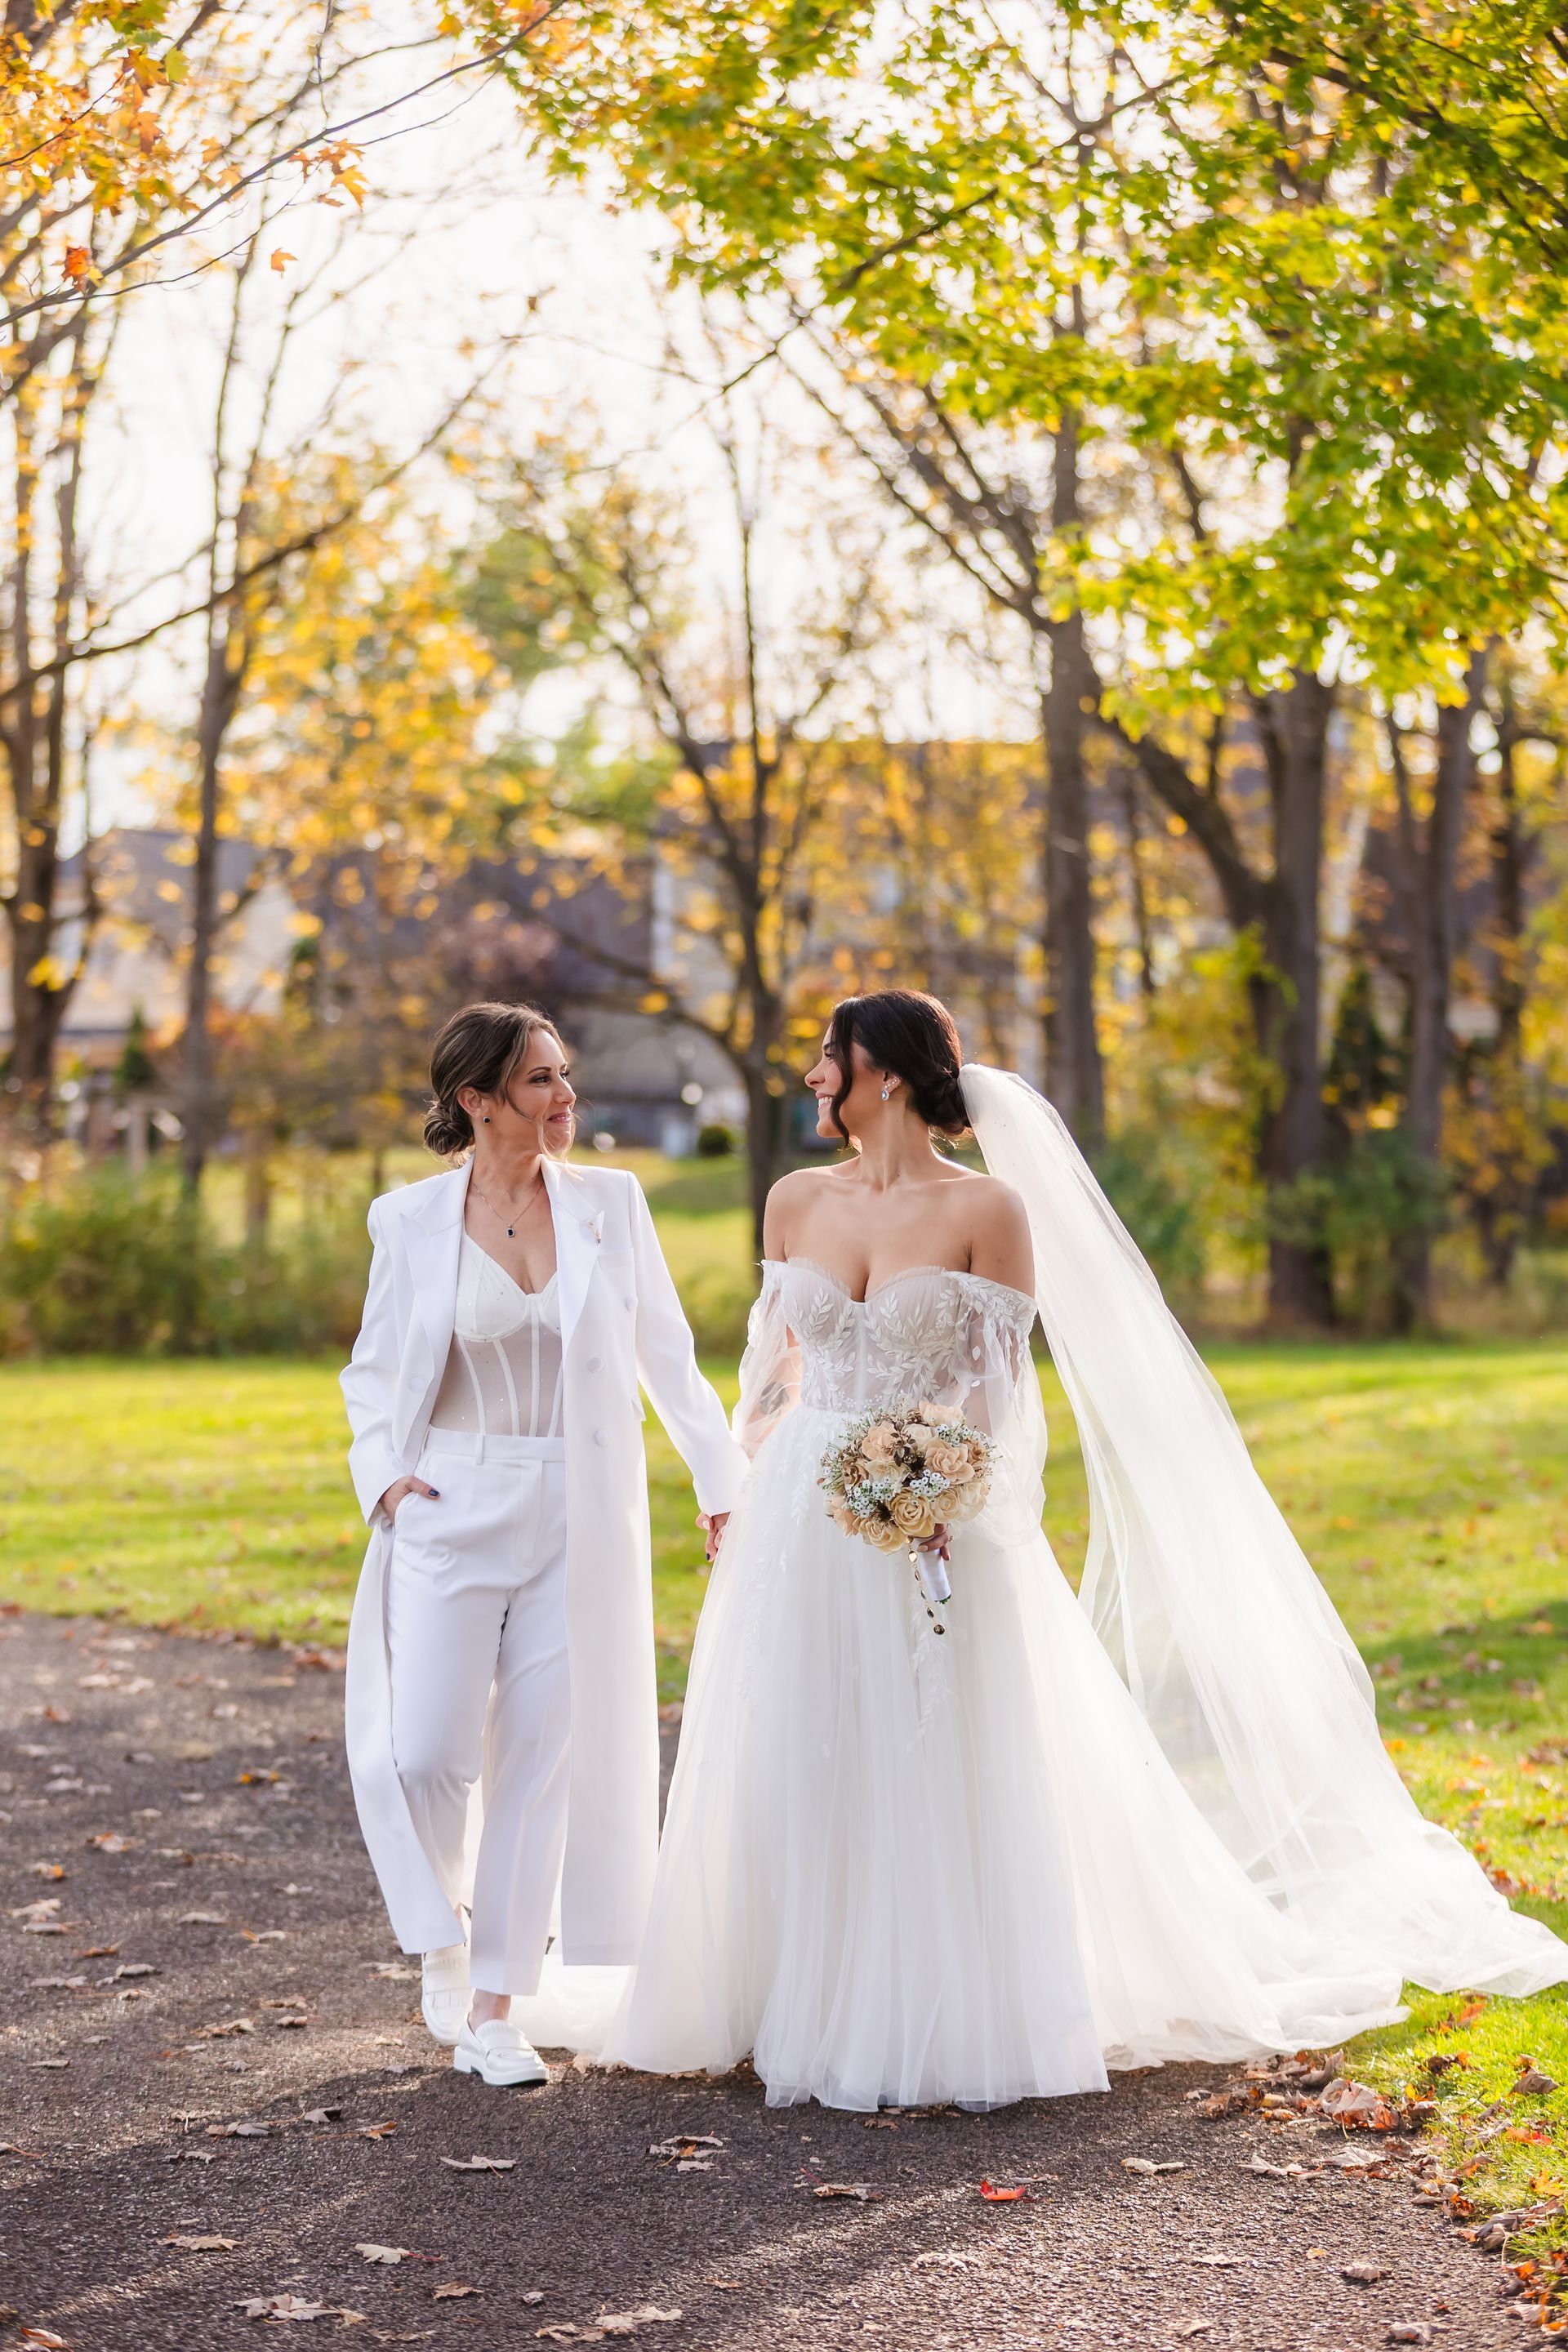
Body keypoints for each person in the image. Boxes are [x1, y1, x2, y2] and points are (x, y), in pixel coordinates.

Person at [555, 987, 1567, 2112]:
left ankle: (918, 2003)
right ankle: (776, 1984)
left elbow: (996, 1395)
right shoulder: (793, 1200)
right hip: (801, 1512)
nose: (811, 1075)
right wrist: (747, 1472)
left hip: (929, 1509)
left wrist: (937, 1490)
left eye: (827, 1056)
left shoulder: (990, 1208)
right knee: (793, 1731)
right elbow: (776, 1370)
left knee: (924, 1742)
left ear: (883, 1071)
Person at [341, 1001, 744, 2087]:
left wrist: (721, 1480)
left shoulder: (612, 1205)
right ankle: (443, 1935)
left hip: (579, 1506)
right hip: (451, 1501)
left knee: (540, 1761)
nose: (565, 1099)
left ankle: (493, 2009)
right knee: (423, 1751)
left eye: (565, 1077)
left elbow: (668, 1350)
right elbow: (374, 1374)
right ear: (476, 1100)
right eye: (538, 1083)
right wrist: (386, 1482)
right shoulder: (408, 1222)